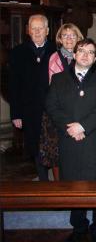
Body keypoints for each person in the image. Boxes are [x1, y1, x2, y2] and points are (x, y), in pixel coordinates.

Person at [46, 38, 96, 242]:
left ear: (95, 58)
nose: (85, 55)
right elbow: (52, 107)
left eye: (91, 52)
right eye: (81, 51)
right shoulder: (58, 79)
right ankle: (79, 226)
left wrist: (83, 126)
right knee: (73, 184)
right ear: (74, 55)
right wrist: (71, 128)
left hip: (95, 140)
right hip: (70, 141)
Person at [8, 14, 56, 181]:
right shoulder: (17, 53)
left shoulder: (56, 51)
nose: (37, 31)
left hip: (53, 109)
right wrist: (16, 114)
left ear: (47, 31)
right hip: (29, 110)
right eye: (33, 28)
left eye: (40, 28)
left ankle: (59, 184)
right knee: (35, 148)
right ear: (28, 30)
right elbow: (13, 86)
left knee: (56, 147)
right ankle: (43, 183)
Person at [39, 23, 84, 181]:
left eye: (72, 35)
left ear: (78, 38)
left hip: (80, 107)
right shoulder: (54, 57)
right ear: (59, 39)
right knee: (56, 151)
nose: (69, 38)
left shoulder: (84, 55)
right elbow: (55, 86)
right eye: (65, 35)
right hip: (60, 109)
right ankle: (60, 185)